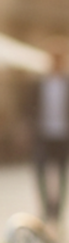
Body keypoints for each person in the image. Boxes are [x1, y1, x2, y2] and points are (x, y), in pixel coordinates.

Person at [33, 42, 69, 223]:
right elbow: (29, 107)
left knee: (62, 173)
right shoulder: (39, 83)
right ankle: (46, 207)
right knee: (40, 170)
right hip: (43, 133)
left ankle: (58, 211)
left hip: (63, 134)